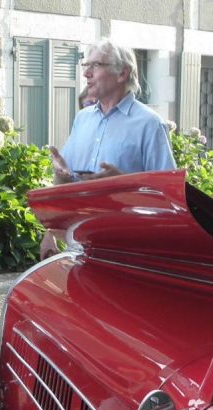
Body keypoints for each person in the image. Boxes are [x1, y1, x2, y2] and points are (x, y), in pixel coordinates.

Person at [41, 39, 175, 257]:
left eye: (96, 65)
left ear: (122, 73)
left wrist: (123, 184)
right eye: (86, 65)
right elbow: (65, 185)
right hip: (81, 248)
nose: (86, 74)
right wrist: (51, 231)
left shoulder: (150, 124)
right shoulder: (83, 119)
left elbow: (168, 199)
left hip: (128, 251)